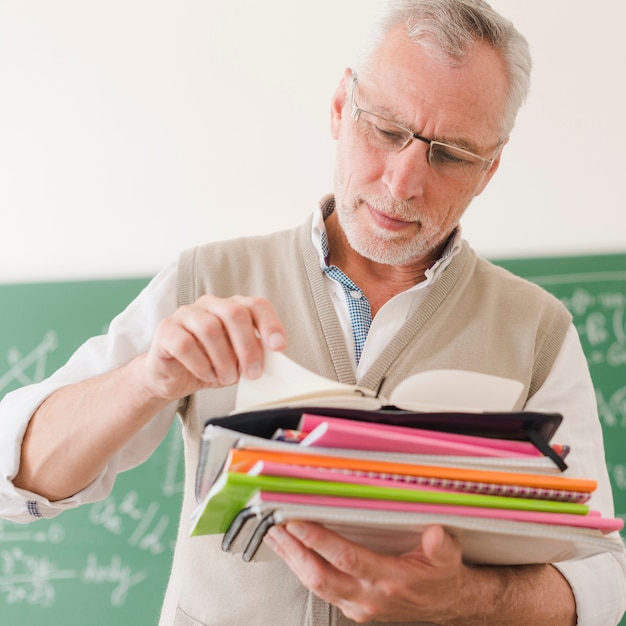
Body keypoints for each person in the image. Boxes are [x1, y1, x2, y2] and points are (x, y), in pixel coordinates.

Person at [1, 0, 625, 624]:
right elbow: (19, 474)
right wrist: (146, 380)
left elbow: (605, 574)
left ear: (489, 168)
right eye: (384, 128)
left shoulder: (538, 331)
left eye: (451, 155)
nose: (403, 181)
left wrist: (467, 601)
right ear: (339, 107)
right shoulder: (208, 279)